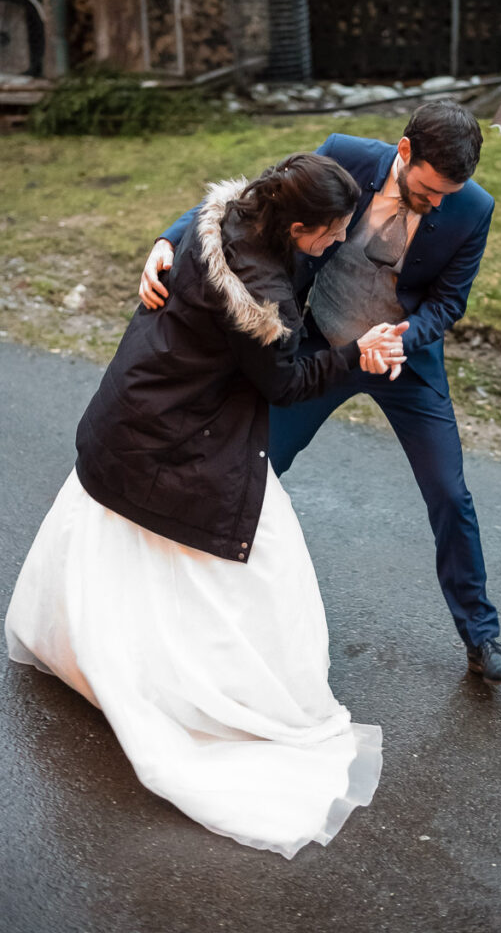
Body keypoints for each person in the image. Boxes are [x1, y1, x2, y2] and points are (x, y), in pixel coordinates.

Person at [5, 153, 410, 859]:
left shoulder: (226, 217)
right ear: (293, 224)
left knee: (130, 538)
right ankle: (214, 695)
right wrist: (359, 357)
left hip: (140, 407)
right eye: (328, 233)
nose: (338, 242)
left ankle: (100, 654)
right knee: (258, 562)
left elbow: (201, 226)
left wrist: (164, 240)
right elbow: (284, 384)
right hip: (177, 430)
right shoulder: (254, 293)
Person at [140, 100, 501, 685]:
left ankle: (481, 634)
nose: (440, 202)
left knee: (449, 493)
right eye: (429, 189)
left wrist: (402, 338)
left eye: (451, 193)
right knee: (257, 466)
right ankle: (208, 597)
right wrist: (169, 238)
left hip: (402, 364)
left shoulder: (475, 209)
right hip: (320, 347)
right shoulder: (344, 156)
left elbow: (449, 302)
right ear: (404, 150)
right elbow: (255, 205)